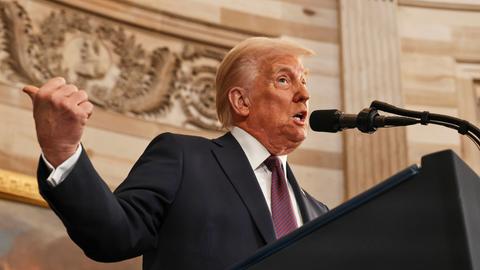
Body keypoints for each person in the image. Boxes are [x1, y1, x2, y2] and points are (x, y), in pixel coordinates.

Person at [23, 37, 328, 270]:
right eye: (284, 80)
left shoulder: (320, 214)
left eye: (304, 80)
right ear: (241, 101)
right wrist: (62, 150)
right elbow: (113, 235)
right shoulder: (184, 159)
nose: (304, 94)